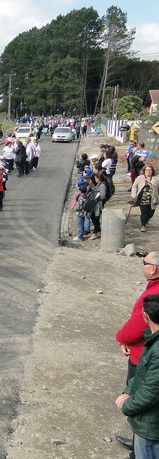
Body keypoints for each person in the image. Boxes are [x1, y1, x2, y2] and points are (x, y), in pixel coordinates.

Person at [115, 251, 159, 456]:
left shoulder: (154, 294)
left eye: (144, 262)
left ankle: (139, 448)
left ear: (154, 268)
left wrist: (122, 337)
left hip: (141, 353)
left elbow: (138, 323)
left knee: (143, 407)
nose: (141, 265)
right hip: (141, 348)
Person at [131, 166, 159, 233]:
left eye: (150, 170)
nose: (148, 171)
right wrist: (134, 195)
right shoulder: (140, 178)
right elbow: (134, 186)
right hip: (143, 198)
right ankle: (143, 225)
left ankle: (146, 220)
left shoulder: (156, 179)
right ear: (144, 171)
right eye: (147, 170)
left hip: (153, 198)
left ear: (152, 171)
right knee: (144, 212)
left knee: (151, 213)